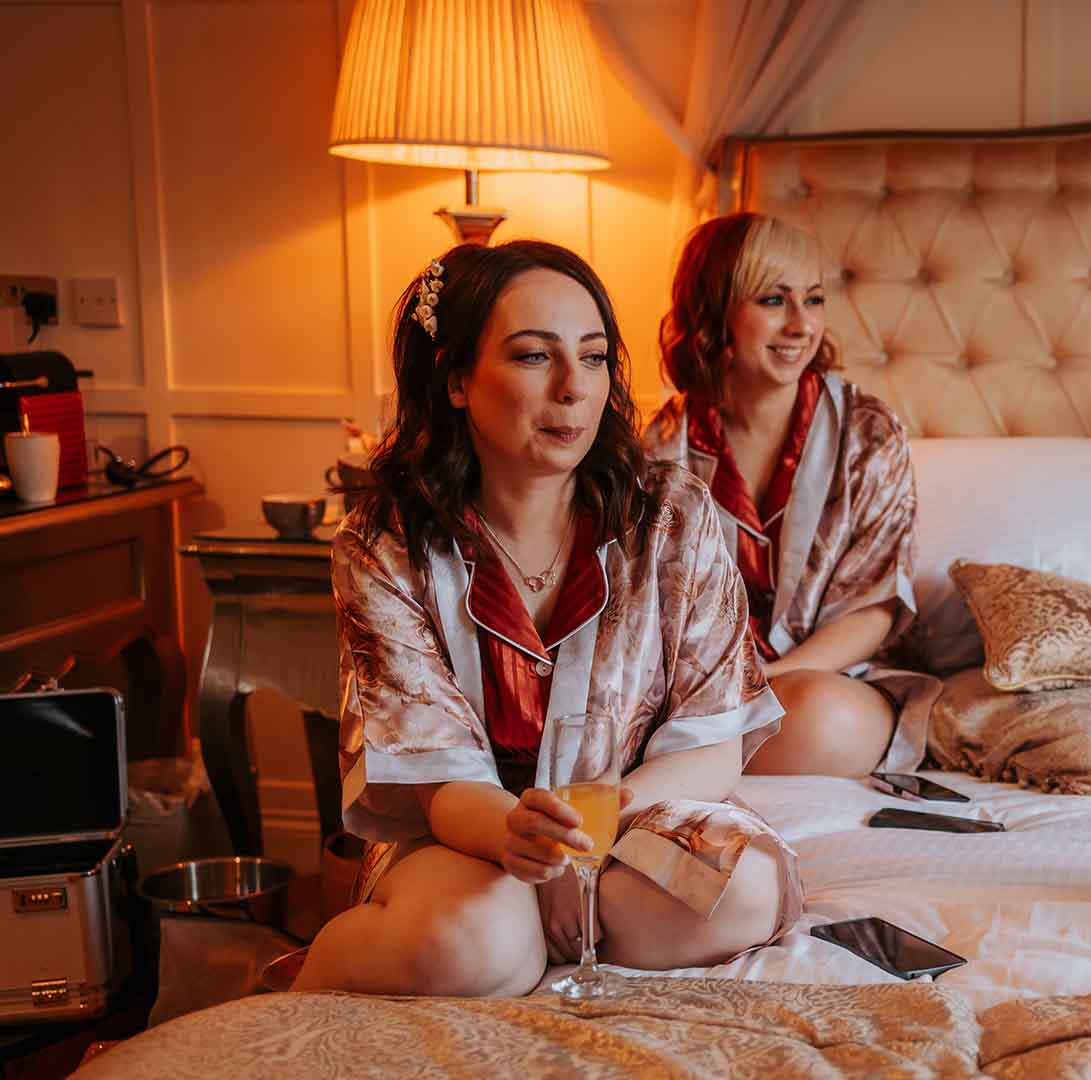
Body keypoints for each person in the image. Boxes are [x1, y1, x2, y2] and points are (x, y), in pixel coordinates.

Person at [293, 241, 802, 997]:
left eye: (593, 358)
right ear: (456, 379)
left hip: (632, 817)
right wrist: (519, 840)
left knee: (743, 888)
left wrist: (583, 844)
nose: (573, 389)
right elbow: (438, 777)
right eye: (535, 357)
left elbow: (715, 737)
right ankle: (316, 980)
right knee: (475, 947)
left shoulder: (672, 514)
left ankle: (541, 929)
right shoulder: (385, 543)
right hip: (460, 835)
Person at [643, 213, 936, 779]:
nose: (803, 325)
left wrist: (764, 684)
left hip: (823, 682)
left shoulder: (867, 433)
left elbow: (874, 609)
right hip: (697, 694)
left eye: (815, 300)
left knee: (822, 718)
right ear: (715, 311)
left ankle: (692, 762)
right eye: (774, 301)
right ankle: (695, 758)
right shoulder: (659, 450)